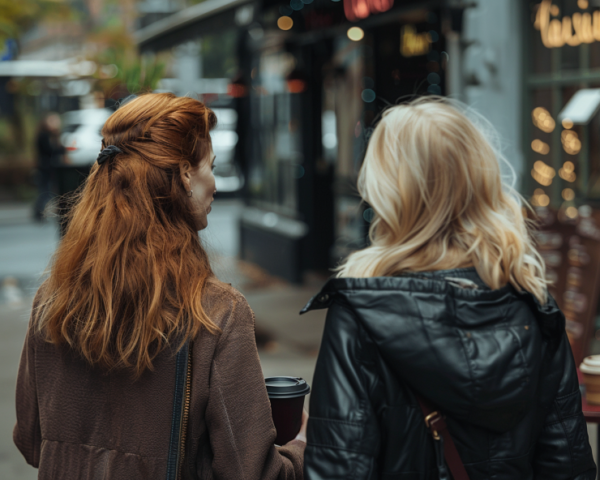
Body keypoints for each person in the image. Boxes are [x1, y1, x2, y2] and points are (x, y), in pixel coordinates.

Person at [14, 93, 307, 480]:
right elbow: (253, 472)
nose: (215, 184)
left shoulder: (52, 300)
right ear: (185, 174)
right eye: (211, 168)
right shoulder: (216, 312)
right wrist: (303, 445)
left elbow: (32, 443)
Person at [301, 97, 596, 479]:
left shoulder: (361, 313)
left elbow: (338, 471)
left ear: (390, 192)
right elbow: (567, 468)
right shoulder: (532, 304)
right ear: (482, 181)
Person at [33, 113, 66, 221]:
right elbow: (50, 151)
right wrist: (61, 148)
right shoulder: (44, 136)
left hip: (49, 168)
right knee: (45, 191)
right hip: (45, 168)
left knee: (48, 191)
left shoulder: (52, 135)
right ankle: (38, 212)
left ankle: (40, 212)